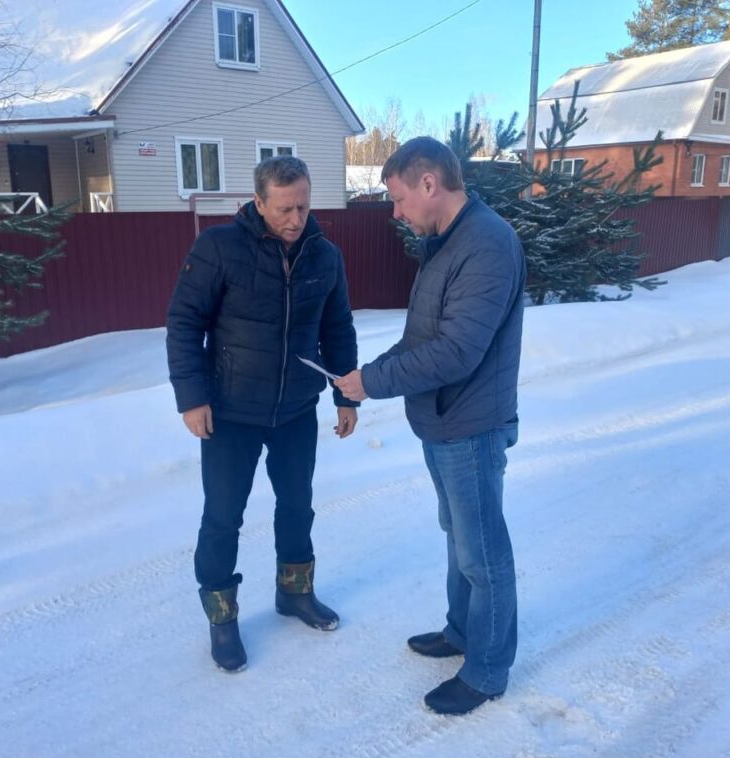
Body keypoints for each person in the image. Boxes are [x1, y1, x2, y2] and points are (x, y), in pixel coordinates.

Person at [335, 137, 526, 716]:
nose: (395, 212)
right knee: (459, 537)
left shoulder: (487, 244)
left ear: (429, 183)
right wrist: (367, 375)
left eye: (397, 198)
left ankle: (487, 672)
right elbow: (422, 338)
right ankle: (462, 632)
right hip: (442, 422)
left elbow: (456, 352)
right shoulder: (444, 244)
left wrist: (374, 382)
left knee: (483, 552)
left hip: (472, 425)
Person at [167, 156, 359, 673]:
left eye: (303, 207)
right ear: (258, 202)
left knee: (297, 505)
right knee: (223, 515)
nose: (296, 219)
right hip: (229, 412)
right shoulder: (219, 248)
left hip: (296, 409)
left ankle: (294, 592)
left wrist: (346, 395)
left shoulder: (325, 256)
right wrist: (192, 397)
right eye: (284, 209)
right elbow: (184, 323)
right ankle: (222, 617)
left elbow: (337, 327)